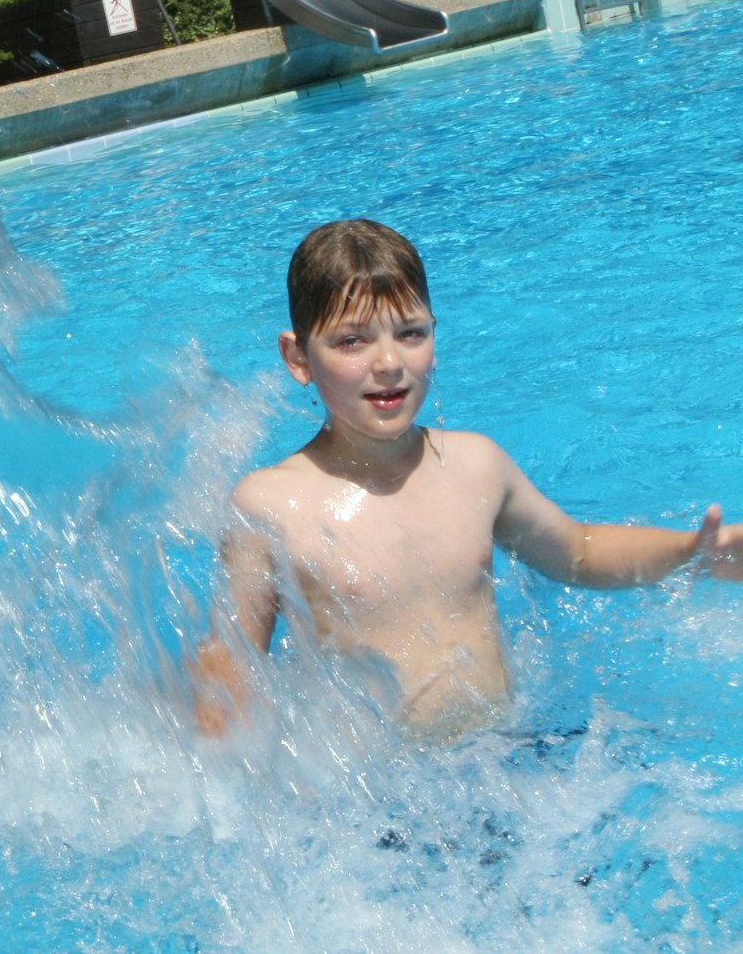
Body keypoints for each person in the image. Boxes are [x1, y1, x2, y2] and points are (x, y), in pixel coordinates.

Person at [193, 218, 741, 737]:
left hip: (507, 752)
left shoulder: (475, 465)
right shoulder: (270, 504)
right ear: (298, 357)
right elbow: (231, 665)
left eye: (410, 333)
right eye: (351, 341)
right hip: (386, 802)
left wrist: (691, 554)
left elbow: (577, 552)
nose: (388, 362)